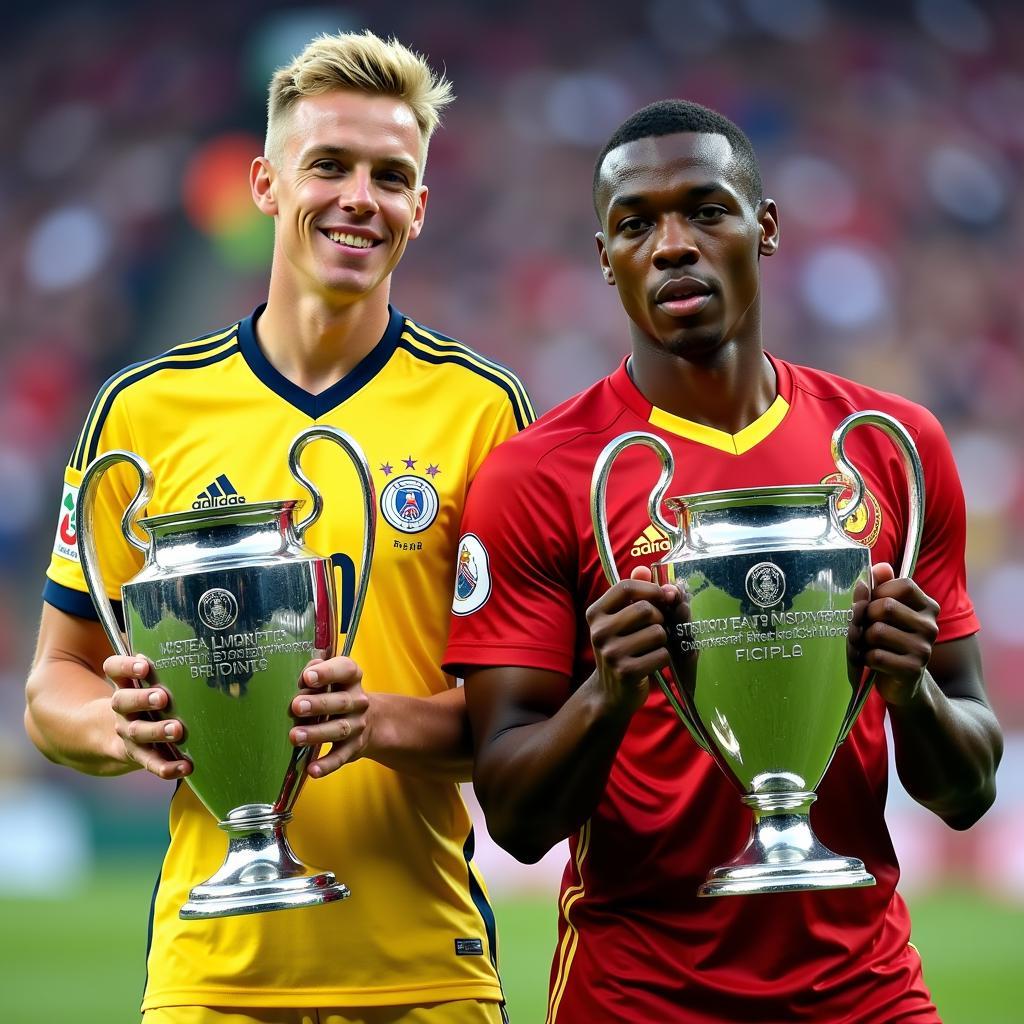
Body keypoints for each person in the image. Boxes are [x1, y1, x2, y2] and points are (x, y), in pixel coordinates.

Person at [443, 100, 1003, 1023]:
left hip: (864, 992)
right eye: (636, 224)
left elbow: (967, 791)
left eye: (706, 210)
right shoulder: (537, 478)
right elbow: (516, 817)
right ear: (605, 258)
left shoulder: (893, 447)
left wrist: (915, 692)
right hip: (638, 998)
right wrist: (606, 692)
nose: (672, 245)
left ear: (765, 228)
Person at [25, 30, 533, 1024]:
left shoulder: (482, 409)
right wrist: (115, 725)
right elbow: (54, 682)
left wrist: (373, 718)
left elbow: (520, 718)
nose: (359, 196)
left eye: (391, 176)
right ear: (264, 182)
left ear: (419, 209)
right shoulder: (141, 411)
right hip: (210, 974)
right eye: (329, 165)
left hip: (424, 967)